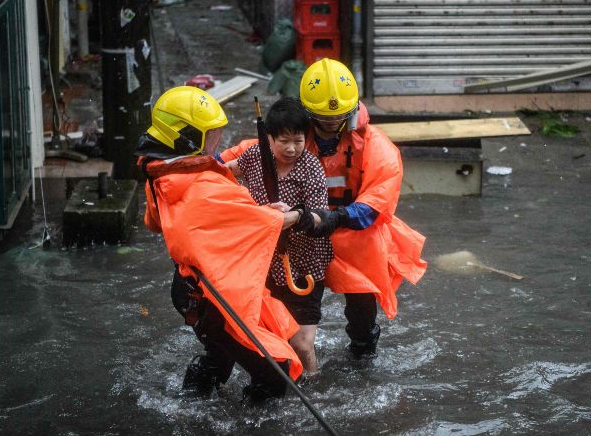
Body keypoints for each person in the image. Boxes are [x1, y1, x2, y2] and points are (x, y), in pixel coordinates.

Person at [222, 58, 428, 360]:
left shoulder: (377, 147)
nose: (331, 126)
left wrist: (329, 218)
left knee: (361, 312)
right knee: (286, 313)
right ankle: (290, 357)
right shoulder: (293, 139)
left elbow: (374, 207)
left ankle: (362, 352)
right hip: (300, 239)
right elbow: (236, 159)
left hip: (355, 237)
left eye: (338, 119)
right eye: (323, 120)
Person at [134, 85, 305, 402]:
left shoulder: (162, 175)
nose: (218, 143)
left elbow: (158, 223)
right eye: (210, 135)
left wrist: (258, 214)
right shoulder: (202, 183)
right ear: (187, 136)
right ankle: (250, 421)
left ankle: (190, 407)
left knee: (220, 357)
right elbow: (239, 219)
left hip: (189, 288)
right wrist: (294, 216)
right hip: (211, 297)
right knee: (274, 371)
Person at [224, 96, 332, 374]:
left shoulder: (311, 168)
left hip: (304, 266)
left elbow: (320, 215)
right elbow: (225, 172)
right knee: (270, 336)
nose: (292, 148)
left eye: (298, 140)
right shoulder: (254, 157)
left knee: (302, 343)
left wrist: (288, 217)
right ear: (269, 138)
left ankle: (312, 381)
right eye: (284, 140)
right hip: (265, 263)